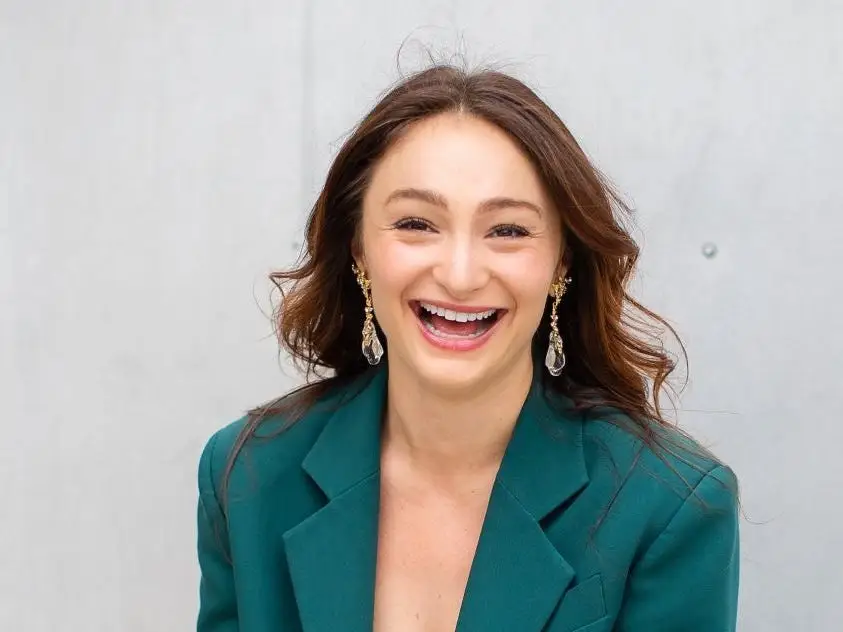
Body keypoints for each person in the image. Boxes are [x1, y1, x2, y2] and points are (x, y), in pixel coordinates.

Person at [196, 64, 739, 632]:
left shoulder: (669, 509)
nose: (459, 275)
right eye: (415, 223)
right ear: (358, 247)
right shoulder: (250, 476)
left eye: (507, 230)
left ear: (562, 262)